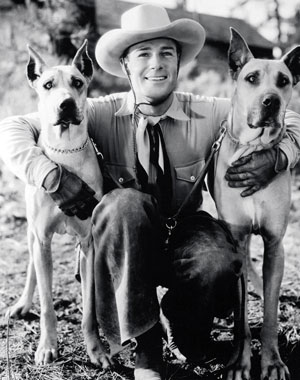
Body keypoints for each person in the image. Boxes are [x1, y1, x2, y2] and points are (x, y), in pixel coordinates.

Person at [1, 4, 300, 380]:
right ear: (126, 65)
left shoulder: (211, 112)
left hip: (184, 235)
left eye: (166, 53)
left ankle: (185, 330)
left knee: (217, 255)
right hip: (127, 247)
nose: (156, 64)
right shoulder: (96, 111)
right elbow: (12, 128)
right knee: (124, 203)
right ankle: (146, 351)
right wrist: (50, 176)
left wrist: (280, 156)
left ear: (178, 63)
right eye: (143, 53)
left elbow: (286, 114)